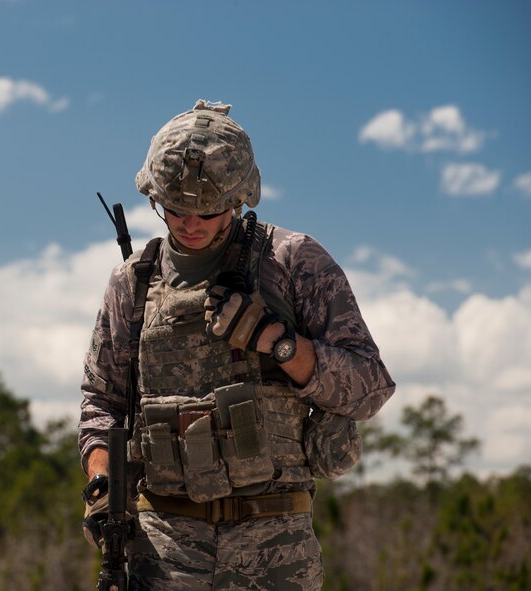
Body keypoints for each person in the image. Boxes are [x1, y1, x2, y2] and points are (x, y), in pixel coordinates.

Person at [79, 100, 396, 590]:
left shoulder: (293, 261)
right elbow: (101, 402)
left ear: (241, 197)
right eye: (176, 208)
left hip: (275, 548)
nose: (189, 223)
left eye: (207, 210)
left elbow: (370, 387)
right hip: (164, 549)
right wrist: (100, 483)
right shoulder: (133, 282)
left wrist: (283, 345)